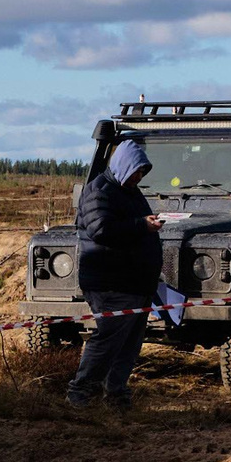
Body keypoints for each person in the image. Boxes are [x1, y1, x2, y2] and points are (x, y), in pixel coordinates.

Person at [67, 135, 162, 411]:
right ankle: (80, 392)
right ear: (123, 165)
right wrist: (141, 225)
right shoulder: (100, 191)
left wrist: (146, 225)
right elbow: (101, 230)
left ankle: (116, 395)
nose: (138, 177)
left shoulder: (128, 191)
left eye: (141, 173)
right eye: (135, 172)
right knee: (108, 339)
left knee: (129, 344)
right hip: (111, 283)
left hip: (135, 284)